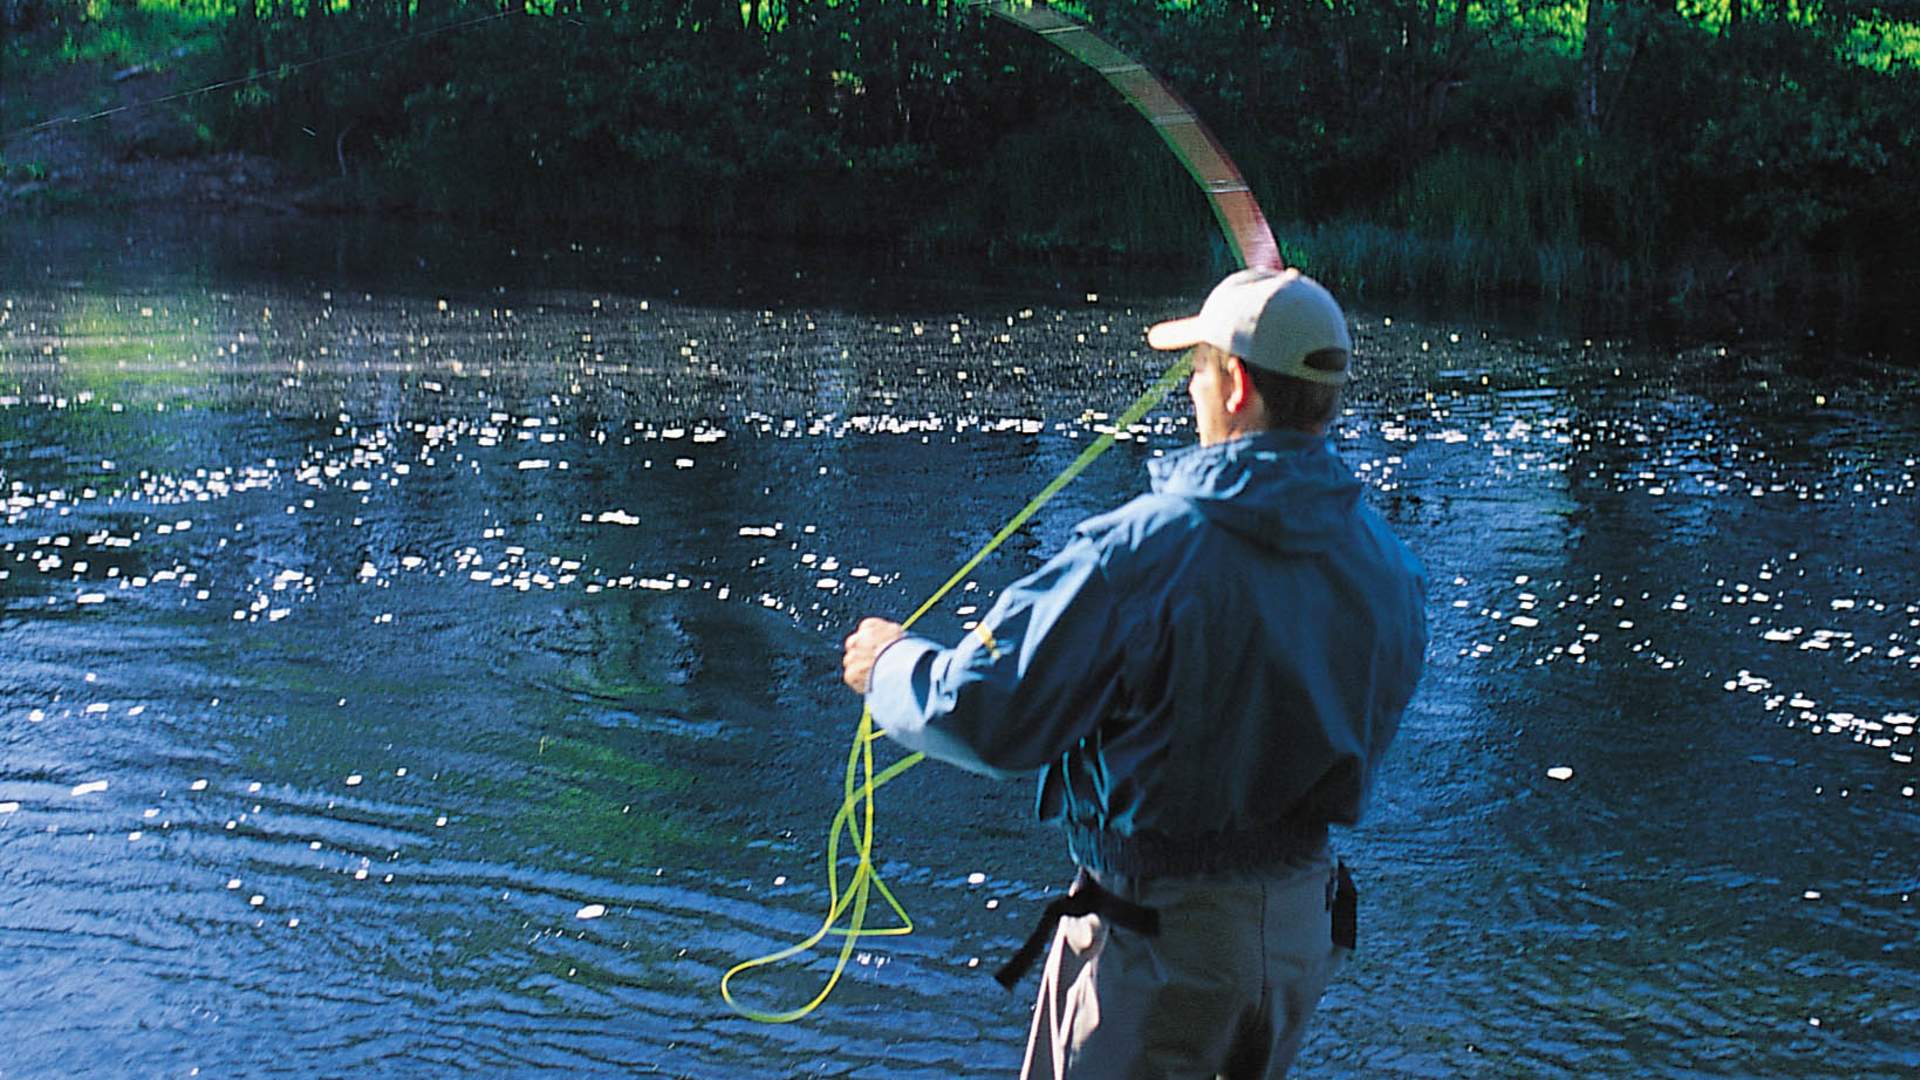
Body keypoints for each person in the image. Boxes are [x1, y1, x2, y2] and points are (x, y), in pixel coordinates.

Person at [840, 267, 1428, 1079]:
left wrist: (890, 666)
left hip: (1160, 946)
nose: (1189, 390)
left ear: (1237, 387)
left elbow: (986, 712)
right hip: (1298, 939)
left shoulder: (1141, 553)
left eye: (1198, 369)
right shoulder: (1391, 568)